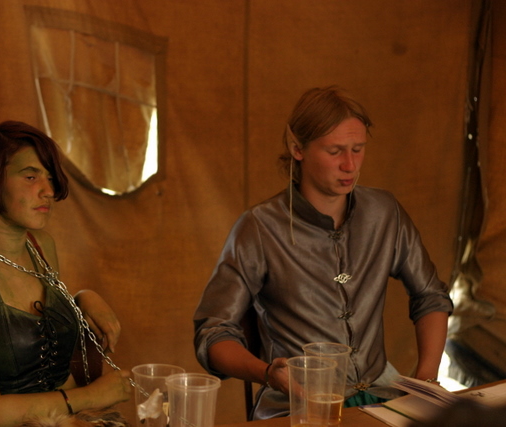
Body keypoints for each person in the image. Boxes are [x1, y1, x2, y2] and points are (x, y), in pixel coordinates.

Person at [193, 86, 454, 420]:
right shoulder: (260, 227)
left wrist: (425, 381)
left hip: (382, 393)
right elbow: (213, 332)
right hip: (296, 405)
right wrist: (268, 373)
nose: (350, 165)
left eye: (358, 149)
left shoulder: (384, 212)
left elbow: (430, 296)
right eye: (335, 151)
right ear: (297, 149)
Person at [0, 121, 132, 427]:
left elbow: (44, 324)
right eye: (30, 176)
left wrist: (83, 299)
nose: (48, 191)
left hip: (73, 420)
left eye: (49, 178)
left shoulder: (41, 246)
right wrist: (92, 396)